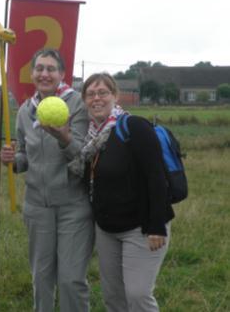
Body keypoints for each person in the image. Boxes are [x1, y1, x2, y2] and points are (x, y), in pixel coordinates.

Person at [71, 72, 175, 312]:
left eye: (103, 93)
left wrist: (157, 225)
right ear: (84, 100)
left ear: (115, 96)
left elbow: (156, 176)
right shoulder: (89, 139)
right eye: (90, 94)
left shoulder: (134, 127)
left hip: (142, 228)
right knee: (113, 297)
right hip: (107, 230)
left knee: (137, 296)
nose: (96, 98)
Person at [0, 48, 94, 312]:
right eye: (39, 68)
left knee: (71, 279)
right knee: (41, 278)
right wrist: (11, 159)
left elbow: (82, 158)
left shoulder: (76, 104)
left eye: (51, 69)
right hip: (37, 207)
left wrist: (64, 138)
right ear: (32, 74)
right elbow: (23, 157)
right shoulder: (24, 112)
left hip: (73, 206)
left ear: (62, 74)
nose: (45, 74)